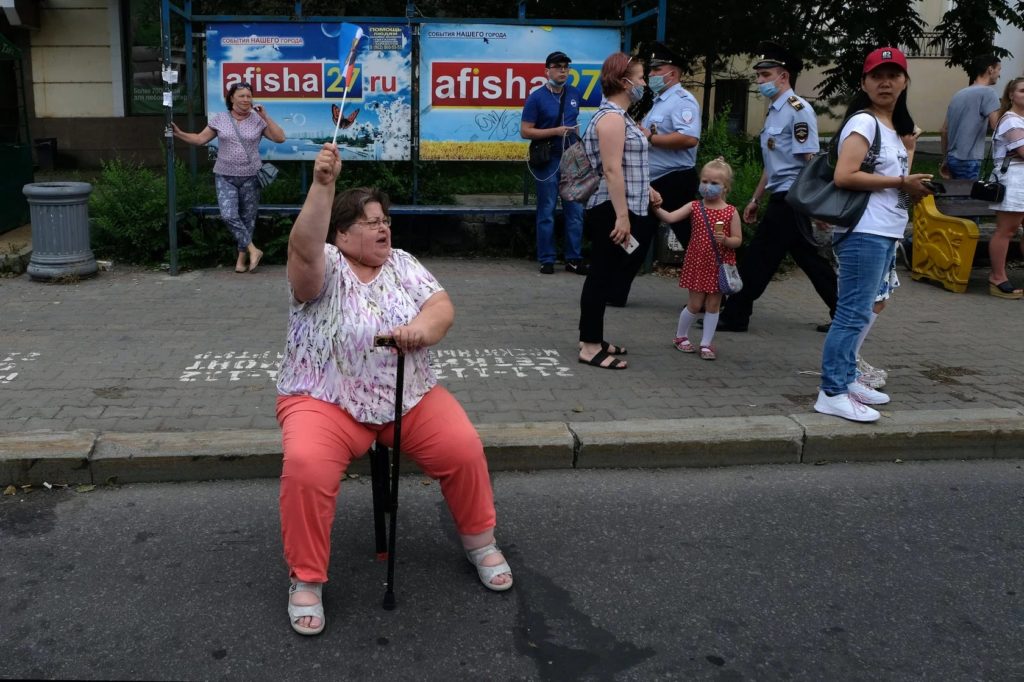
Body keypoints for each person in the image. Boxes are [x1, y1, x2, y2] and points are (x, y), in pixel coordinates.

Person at [276, 143, 513, 636]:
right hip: (324, 397)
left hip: (408, 395)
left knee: (464, 447)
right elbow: (302, 246)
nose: (383, 228)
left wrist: (422, 331)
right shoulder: (322, 263)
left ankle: (481, 542)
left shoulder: (402, 262)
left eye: (385, 219)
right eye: (370, 222)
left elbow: (440, 305)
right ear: (341, 234)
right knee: (305, 467)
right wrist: (323, 186)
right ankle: (306, 578)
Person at [814, 47, 933, 423]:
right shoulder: (864, 122)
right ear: (864, 83)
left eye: (893, 75)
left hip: (884, 230)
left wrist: (909, 164)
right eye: (877, 75)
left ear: (905, 82)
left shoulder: (892, 129)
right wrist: (901, 179)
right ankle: (831, 392)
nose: (886, 82)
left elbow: (897, 188)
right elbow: (844, 175)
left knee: (861, 310)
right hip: (863, 231)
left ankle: (847, 380)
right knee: (850, 314)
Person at [717, 41, 838, 334]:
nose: (760, 82)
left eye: (765, 75)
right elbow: (773, 164)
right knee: (808, 259)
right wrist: (756, 198)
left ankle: (735, 314)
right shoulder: (774, 111)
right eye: (758, 76)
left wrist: (815, 202)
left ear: (783, 76)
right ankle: (845, 313)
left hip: (792, 197)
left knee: (760, 257)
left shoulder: (798, 110)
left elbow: (809, 159)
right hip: (781, 193)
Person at [577, 52, 661, 369]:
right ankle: (589, 345)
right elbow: (611, 171)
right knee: (600, 275)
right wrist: (622, 216)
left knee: (607, 272)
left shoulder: (621, 117)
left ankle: (594, 337)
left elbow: (628, 165)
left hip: (624, 205)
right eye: (640, 78)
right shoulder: (611, 119)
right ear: (624, 82)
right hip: (611, 210)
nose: (644, 83)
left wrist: (647, 189)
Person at [605, 42, 701, 307]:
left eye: (658, 70)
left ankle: (714, 288)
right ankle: (616, 289)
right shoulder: (661, 102)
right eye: (651, 70)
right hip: (659, 179)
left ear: (674, 73)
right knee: (649, 233)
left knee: (684, 237)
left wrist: (652, 136)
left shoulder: (683, 101)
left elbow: (689, 138)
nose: (653, 75)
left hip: (674, 179)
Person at [171, 82, 285, 273]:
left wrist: (265, 116)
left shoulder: (257, 120)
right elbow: (200, 139)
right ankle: (252, 249)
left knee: (248, 219)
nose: (246, 100)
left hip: (251, 177)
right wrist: (180, 134)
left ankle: (241, 261)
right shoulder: (220, 119)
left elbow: (280, 138)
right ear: (231, 98)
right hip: (225, 176)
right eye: (241, 96)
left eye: (249, 96)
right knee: (229, 214)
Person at [655, 157, 742, 361]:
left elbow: (738, 240)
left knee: (713, 305)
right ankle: (680, 336)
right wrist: (654, 205)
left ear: (725, 187)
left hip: (719, 265)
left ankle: (706, 343)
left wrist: (727, 240)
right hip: (697, 262)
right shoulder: (695, 206)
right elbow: (670, 217)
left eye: (714, 183)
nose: (708, 187)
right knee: (694, 304)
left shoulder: (730, 212)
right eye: (704, 181)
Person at [520, 51, 587, 275]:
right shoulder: (536, 97)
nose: (563, 71)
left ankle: (574, 259)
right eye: (558, 67)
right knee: (546, 210)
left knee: (575, 211)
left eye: (566, 67)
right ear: (546, 70)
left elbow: (574, 121)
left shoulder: (575, 93)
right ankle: (546, 259)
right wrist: (556, 131)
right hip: (548, 160)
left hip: (572, 158)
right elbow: (525, 131)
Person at [985, 76, 1024, 299]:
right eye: (1022, 91)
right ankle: (997, 277)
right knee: (1006, 230)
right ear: (1011, 95)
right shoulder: (1010, 120)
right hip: (1015, 179)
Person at [940, 55, 1002, 181]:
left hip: (952, 158)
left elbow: (944, 130)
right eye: (999, 69)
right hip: (970, 160)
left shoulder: (958, 94)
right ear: (990, 70)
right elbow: (997, 126)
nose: (999, 74)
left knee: (955, 198)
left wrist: (945, 158)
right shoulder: (989, 93)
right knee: (968, 199)